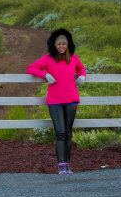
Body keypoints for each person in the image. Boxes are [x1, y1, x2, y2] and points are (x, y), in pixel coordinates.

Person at [26, 28, 86, 174]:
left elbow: (81, 68)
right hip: (55, 101)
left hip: (71, 99)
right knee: (60, 132)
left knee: (68, 132)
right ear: (55, 45)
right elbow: (31, 68)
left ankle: (68, 165)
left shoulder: (73, 58)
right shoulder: (48, 58)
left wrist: (82, 76)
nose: (61, 47)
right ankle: (61, 165)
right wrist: (45, 75)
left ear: (67, 46)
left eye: (64, 45)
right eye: (59, 44)